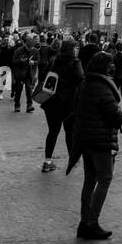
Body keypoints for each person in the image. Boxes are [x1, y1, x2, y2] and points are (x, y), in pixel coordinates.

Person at [68, 51, 122, 240]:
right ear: (105, 67)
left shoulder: (86, 83)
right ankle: (92, 222)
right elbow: (114, 117)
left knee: (89, 180)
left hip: (86, 140)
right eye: (111, 65)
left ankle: (84, 222)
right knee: (105, 179)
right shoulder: (103, 87)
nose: (113, 68)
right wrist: (121, 112)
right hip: (100, 141)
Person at [40, 39, 84, 172]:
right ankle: (72, 159)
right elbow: (81, 80)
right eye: (75, 48)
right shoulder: (75, 62)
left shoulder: (54, 60)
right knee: (69, 132)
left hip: (51, 101)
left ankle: (47, 161)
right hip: (68, 103)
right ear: (72, 49)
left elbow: (44, 75)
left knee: (53, 132)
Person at [11, 34, 34, 113]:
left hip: (28, 73)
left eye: (31, 48)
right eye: (28, 48)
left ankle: (29, 106)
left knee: (29, 90)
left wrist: (34, 62)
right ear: (25, 45)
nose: (30, 50)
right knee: (18, 90)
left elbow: (38, 60)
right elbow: (13, 61)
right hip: (20, 74)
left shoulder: (34, 51)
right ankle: (17, 105)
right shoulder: (19, 50)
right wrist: (20, 60)